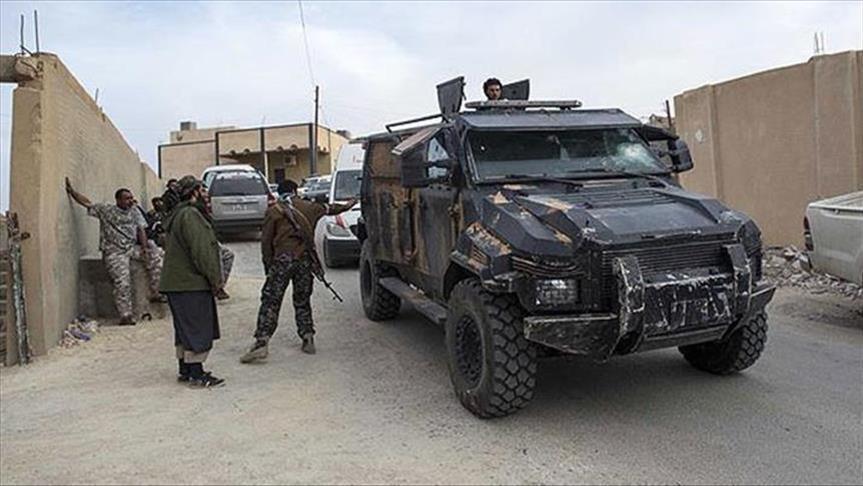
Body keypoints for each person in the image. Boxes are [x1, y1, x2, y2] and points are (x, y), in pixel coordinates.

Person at [240, 179, 357, 362]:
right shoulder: (310, 207)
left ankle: (262, 342)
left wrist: (268, 266)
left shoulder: (274, 211)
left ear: (279, 192)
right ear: (296, 190)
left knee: (271, 301)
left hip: (282, 261)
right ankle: (307, 337)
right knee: (302, 300)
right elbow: (332, 209)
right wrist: (350, 203)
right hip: (304, 261)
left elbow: (266, 242)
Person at [65, 178, 165, 325]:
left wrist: (144, 248)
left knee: (157, 254)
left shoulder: (134, 211)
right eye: (127, 198)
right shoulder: (107, 210)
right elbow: (87, 203)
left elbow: (141, 229)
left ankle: (156, 291)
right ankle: (125, 315)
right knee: (122, 282)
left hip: (131, 247)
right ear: (118, 200)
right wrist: (72, 192)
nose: (130, 201)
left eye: (131, 198)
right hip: (114, 251)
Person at [159, 175, 225, 387]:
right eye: (202, 190)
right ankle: (197, 374)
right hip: (190, 283)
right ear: (194, 192)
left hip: (177, 283)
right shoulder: (191, 215)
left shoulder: (178, 214)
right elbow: (202, 251)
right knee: (197, 328)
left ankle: (186, 369)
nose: (206, 195)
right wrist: (215, 280)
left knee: (184, 329)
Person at [200, 189, 233, 300]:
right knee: (217, 257)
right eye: (202, 191)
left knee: (227, 255)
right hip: (203, 241)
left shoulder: (204, 207)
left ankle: (219, 285)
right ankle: (217, 287)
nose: (206, 194)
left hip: (210, 239)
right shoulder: (195, 209)